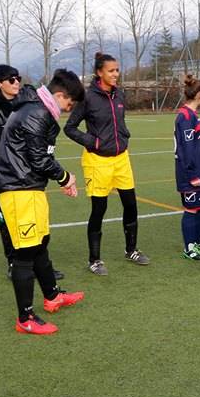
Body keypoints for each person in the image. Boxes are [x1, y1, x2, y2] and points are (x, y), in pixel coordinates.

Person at [0, 69, 85, 335]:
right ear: (58, 95)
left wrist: (60, 176)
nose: (68, 109)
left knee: (40, 243)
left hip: (29, 186)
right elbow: (39, 158)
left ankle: (52, 295)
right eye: (69, 103)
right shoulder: (37, 112)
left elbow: (39, 157)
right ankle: (25, 318)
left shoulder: (38, 109)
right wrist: (65, 177)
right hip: (18, 188)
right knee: (24, 254)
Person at [64, 52, 149, 276]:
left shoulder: (120, 94)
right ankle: (95, 260)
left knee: (131, 205)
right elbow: (70, 128)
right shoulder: (87, 97)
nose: (115, 74)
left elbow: (118, 122)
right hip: (97, 161)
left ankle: (131, 250)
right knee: (99, 210)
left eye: (117, 70)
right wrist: (93, 141)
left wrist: (124, 135)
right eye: (111, 70)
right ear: (99, 72)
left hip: (122, 159)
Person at [0, 65, 65, 280]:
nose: (16, 82)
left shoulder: (30, 98)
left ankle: (41, 266)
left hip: (31, 169)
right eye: (11, 79)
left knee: (37, 220)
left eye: (18, 78)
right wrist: (28, 131)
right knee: (8, 220)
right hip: (3, 169)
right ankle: (14, 262)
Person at [175, 75, 200, 259]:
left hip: (198, 171)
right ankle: (189, 247)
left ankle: (199, 241)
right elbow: (186, 150)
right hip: (189, 173)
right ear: (199, 94)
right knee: (191, 208)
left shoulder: (192, 115)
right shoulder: (185, 117)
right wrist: (192, 175)